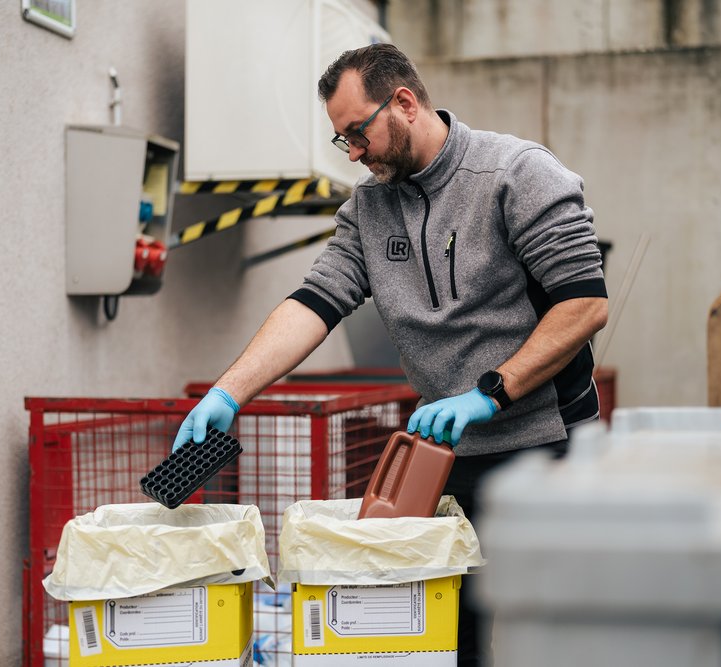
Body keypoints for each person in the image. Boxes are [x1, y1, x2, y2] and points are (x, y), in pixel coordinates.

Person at [173, 43, 608, 665]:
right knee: (450, 639)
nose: (352, 152)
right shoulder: (368, 209)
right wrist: (229, 390)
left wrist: (490, 392)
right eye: (342, 139)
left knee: (552, 637)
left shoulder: (516, 174)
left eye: (358, 132)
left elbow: (584, 304)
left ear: (403, 103)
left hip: (549, 450)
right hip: (448, 458)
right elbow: (314, 302)